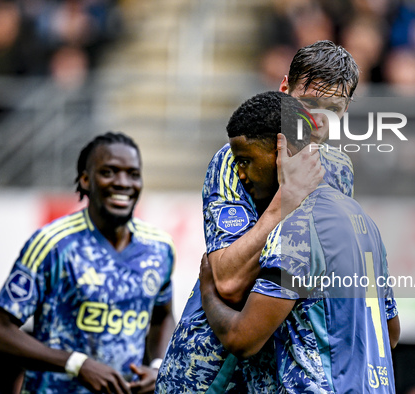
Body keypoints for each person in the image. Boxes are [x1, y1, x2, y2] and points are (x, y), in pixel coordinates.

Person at [156, 40, 369, 393]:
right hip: (205, 373)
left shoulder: (340, 170)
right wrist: (287, 200)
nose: (318, 119)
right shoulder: (234, 159)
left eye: (334, 109)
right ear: (284, 89)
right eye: (309, 103)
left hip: (280, 375)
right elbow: (227, 280)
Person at [199, 90, 398, 392]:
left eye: (245, 160)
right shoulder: (363, 221)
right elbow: (391, 332)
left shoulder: (297, 227)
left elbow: (243, 339)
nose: (240, 174)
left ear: (283, 150)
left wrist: (209, 293)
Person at [0, 132, 176, 394]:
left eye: (133, 174)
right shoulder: (53, 244)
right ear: (85, 180)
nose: (123, 183)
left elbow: (162, 316)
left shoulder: (159, 248)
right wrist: (76, 364)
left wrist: (159, 367)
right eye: (109, 172)